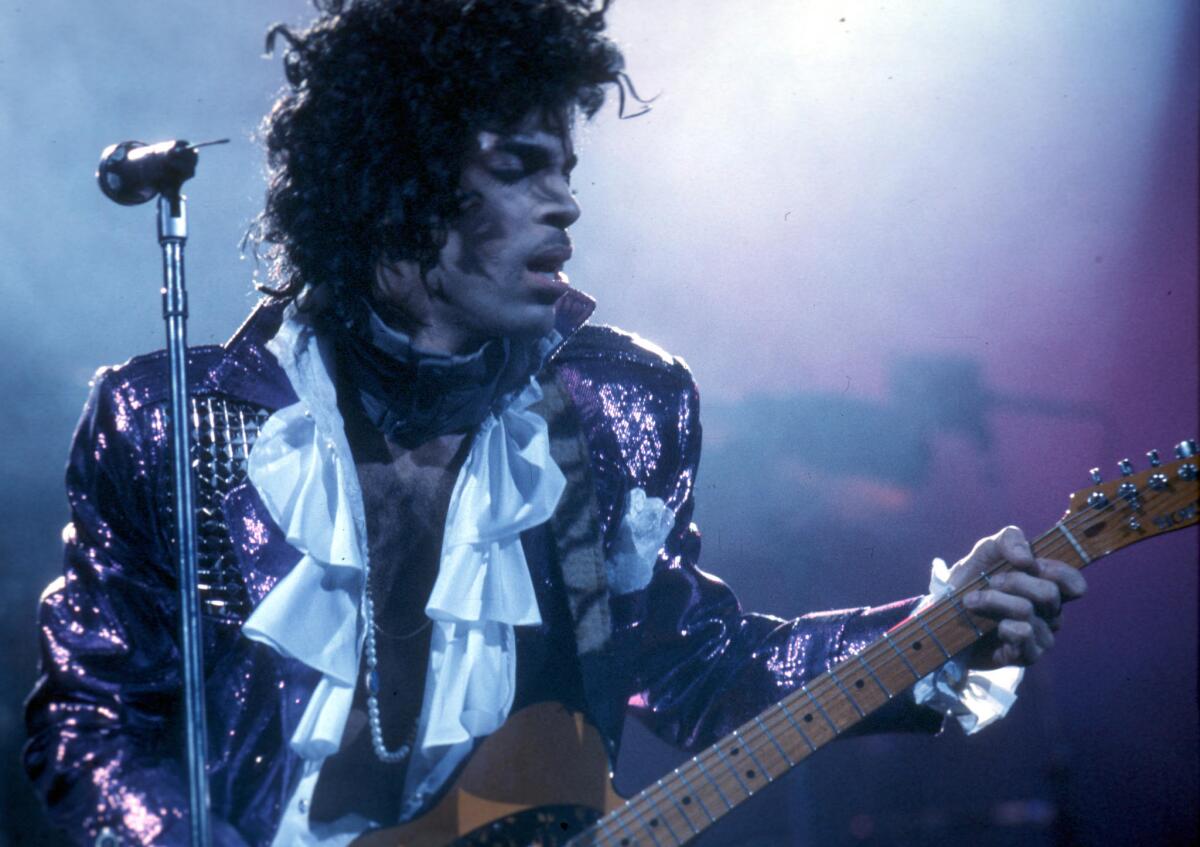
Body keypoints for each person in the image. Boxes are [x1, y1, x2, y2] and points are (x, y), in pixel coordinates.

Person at [23, 1, 1086, 845]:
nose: (566, 201)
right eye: (518, 164)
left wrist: (936, 634)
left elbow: (700, 667)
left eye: (567, 166)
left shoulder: (617, 411)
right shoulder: (175, 422)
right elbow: (91, 722)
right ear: (397, 186)